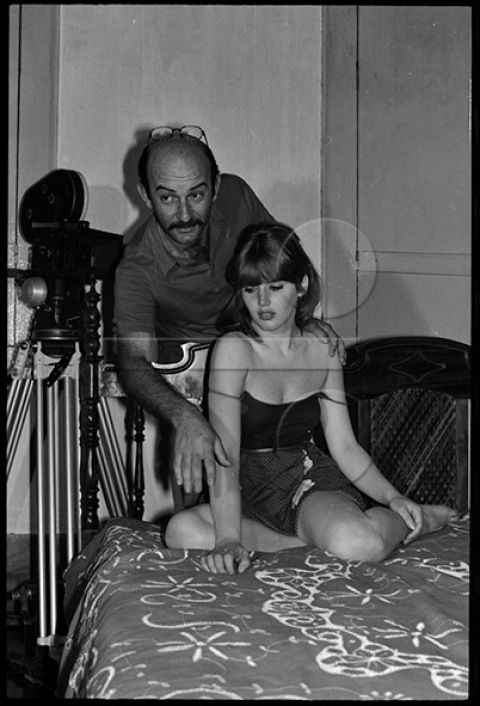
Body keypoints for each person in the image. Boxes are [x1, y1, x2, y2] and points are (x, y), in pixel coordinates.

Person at [164, 221, 457, 572]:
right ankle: (314, 543)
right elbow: (226, 457)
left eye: (276, 287)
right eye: (250, 289)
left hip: (304, 483)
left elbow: (344, 446)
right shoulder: (234, 350)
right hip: (243, 489)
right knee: (181, 532)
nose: (262, 302)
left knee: (360, 544)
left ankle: (420, 519)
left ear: (301, 285)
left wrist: (392, 496)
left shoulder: (321, 350)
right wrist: (228, 538)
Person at [114, 125, 344, 506]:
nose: (184, 215)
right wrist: (184, 416)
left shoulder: (237, 197)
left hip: (254, 345)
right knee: (201, 506)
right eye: (167, 198)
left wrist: (303, 319)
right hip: (190, 376)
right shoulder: (136, 268)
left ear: (217, 187)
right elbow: (132, 360)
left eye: (197, 195)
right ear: (145, 195)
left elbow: (284, 262)